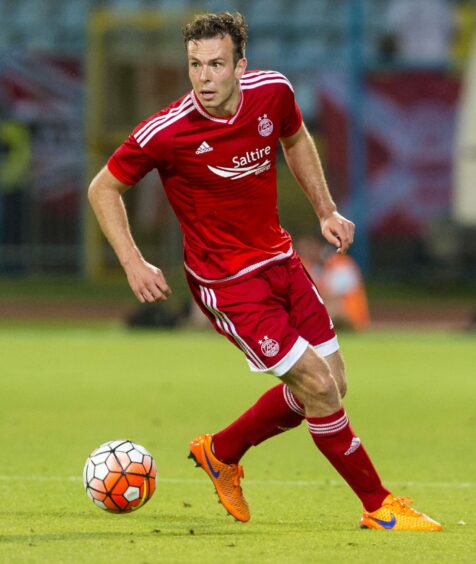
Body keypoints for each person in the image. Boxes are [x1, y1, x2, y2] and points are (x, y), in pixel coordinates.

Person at [88, 12, 441, 531]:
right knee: (317, 387)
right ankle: (379, 505)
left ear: (240, 65)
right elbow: (103, 188)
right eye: (194, 65)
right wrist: (132, 260)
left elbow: (295, 139)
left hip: (281, 261)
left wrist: (325, 210)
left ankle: (222, 451)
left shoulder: (272, 91)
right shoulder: (167, 132)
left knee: (333, 384)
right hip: (229, 286)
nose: (203, 77)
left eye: (215, 64)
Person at [296, 235, 370, 332]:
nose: (304, 253)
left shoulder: (341, 265)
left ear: (317, 247)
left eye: (307, 248)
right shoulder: (315, 267)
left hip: (351, 315)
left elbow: (335, 296)